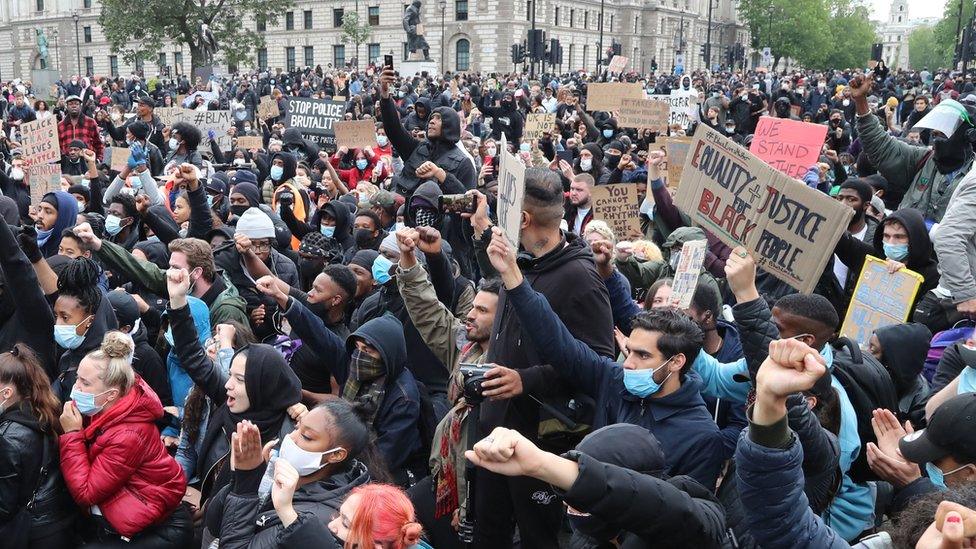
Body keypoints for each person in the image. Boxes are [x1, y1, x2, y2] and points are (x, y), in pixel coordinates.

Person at [485, 226, 725, 487]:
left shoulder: (701, 436)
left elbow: (690, 516)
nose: (629, 363)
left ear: (676, 362)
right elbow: (559, 345)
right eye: (629, 351)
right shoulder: (613, 380)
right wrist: (512, 275)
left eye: (643, 355)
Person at [164, 266, 302, 505]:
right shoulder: (226, 403)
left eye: (239, 380)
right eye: (230, 376)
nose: (227, 385)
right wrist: (177, 300)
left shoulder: (288, 439)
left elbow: (261, 502)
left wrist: (208, 508)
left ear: (263, 387)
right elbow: (193, 357)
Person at [467, 423, 729, 548]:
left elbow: (663, 509)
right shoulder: (587, 540)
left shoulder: (696, 521)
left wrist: (541, 464)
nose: (570, 504)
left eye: (579, 490)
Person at [58, 332, 191, 546]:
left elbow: (86, 492)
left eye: (85, 383)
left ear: (111, 394)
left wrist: (72, 435)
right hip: (129, 506)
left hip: (158, 528)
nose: (76, 388)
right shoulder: (109, 406)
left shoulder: (128, 435)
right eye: (77, 379)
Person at [206, 399, 373, 548]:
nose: (291, 438)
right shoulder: (288, 475)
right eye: (297, 427)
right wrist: (250, 476)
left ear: (336, 455)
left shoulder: (322, 519)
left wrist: (246, 484)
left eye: (307, 437)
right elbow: (215, 524)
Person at [852, 74, 974, 221]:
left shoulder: (972, 175)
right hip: (903, 241)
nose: (935, 133)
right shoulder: (922, 159)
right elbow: (881, 147)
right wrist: (861, 102)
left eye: (945, 129)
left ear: (967, 135)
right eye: (935, 131)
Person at [0, 344, 75, 548]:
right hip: (57, 520)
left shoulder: (7, 437)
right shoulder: (41, 411)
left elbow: (4, 506)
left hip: (32, 532)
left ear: (6, 393)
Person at [378, 68, 476, 196]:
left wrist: (441, 175)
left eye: (438, 119)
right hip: (403, 211)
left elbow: (467, 200)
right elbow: (394, 129)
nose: (432, 122)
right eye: (432, 118)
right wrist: (385, 96)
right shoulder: (417, 148)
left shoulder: (463, 163)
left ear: (450, 125)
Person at [57, 95, 103, 161]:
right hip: (67, 165)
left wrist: (98, 160)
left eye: (76, 104)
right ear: (66, 106)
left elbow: (99, 144)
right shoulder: (61, 125)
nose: (74, 106)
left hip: (87, 163)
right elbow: (58, 147)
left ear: (80, 106)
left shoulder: (90, 122)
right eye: (70, 104)